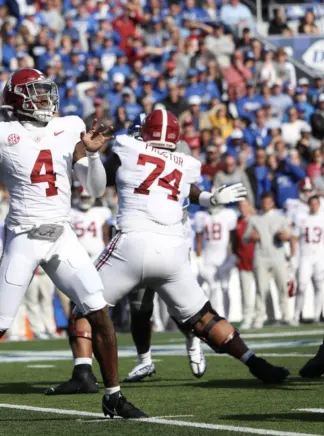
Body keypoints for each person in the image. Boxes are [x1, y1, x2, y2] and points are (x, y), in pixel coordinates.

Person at [0, 68, 142, 425]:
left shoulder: (69, 127)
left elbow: (97, 189)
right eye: (35, 92)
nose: (45, 98)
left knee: (98, 310)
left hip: (61, 235)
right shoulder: (2, 133)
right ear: (17, 99)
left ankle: (113, 396)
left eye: (45, 91)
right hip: (24, 236)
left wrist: (89, 154)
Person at [57, 109, 289, 399]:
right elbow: (185, 188)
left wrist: (90, 152)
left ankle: (82, 373)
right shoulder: (185, 163)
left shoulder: (128, 147)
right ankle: (254, 362)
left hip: (132, 242)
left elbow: (99, 181)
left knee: (83, 305)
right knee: (204, 317)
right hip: (172, 251)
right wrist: (208, 198)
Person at [243, 191, 292, 327]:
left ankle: (286, 316)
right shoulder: (254, 219)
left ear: (272, 203)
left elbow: (289, 235)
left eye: (268, 202)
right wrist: (251, 237)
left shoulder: (281, 217)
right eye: (264, 202)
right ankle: (260, 317)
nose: (266, 205)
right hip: (261, 258)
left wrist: (285, 236)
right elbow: (245, 238)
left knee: (282, 286)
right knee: (261, 289)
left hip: (278, 256)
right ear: (261, 203)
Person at [194, 204, 239, 318]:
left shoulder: (228, 214)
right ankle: (214, 319)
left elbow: (233, 239)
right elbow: (199, 241)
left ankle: (227, 318)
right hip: (208, 257)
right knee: (212, 288)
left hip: (224, 257)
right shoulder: (201, 216)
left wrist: (232, 256)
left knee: (225, 288)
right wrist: (199, 260)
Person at [291, 195, 324, 326]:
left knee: (319, 286)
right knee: (302, 286)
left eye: (316, 203)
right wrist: (293, 255)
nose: (314, 206)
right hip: (305, 256)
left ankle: (316, 316)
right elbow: (294, 237)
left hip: (320, 256)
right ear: (308, 205)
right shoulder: (301, 217)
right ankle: (296, 315)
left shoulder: (322, 217)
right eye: (312, 204)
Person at [235, 200, 257, 330]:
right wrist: (234, 255)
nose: (242, 208)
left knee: (263, 290)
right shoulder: (237, 222)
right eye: (240, 206)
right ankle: (247, 318)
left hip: (257, 259)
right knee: (245, 292)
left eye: (244, 206)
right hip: (243, 260)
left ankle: (269, 316)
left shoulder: (256, 220)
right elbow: (234, 241)